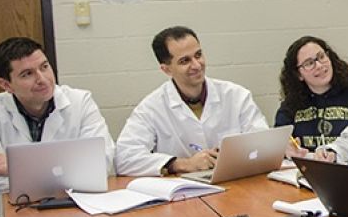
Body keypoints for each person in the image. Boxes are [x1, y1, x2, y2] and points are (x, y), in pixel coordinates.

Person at [0, 37, 115, 217]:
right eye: (27, 74)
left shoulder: (81, 102)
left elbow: (101, 165)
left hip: (75, 214)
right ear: (6, 85)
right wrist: (67, 173)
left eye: (44, 67)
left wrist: (16, 166)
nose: (42, 79)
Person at [115, 26, 268, 177]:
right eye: (184, 61)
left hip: (235, 182)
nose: (196, 65)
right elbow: (124, 158)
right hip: (183, 192)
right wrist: (183, 164)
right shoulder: (151, 108)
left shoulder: (236, 96)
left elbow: (264, 142)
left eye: (198, 55)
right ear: (166, 69)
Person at [275, 36, 348, 152]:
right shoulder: (291, 105)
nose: (319, 65)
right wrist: (287, 150)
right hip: (307, 167)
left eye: (321, 57)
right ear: (298, 75)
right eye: (309, 63)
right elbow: (278, 141)